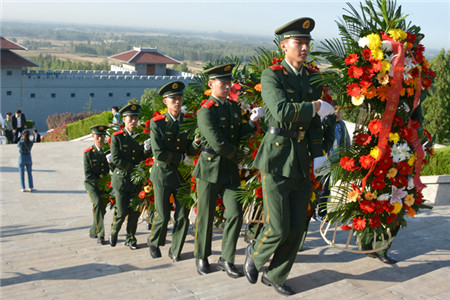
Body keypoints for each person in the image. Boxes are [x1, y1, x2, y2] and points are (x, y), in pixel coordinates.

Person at [243, 18, 335, 296]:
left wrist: (318, 155)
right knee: (278, 226)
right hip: (276, 155)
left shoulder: (310, 77)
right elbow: (282, 111)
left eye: (307, 42)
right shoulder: (272, 75)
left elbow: (315, 124)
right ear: (284, 46)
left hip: (301, 157)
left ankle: (276, 274)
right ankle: (256, 256)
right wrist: (317, 105)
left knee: (297, 228)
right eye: (299, 42)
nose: (304, 47)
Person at [193, 64, 263, 277]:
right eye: (222, 82)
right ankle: (202, 256)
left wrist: (251, 121)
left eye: (228, 82)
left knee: (235, 214)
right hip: (210, 169)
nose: (226, 86)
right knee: (205, 215)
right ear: (211, 84)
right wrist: (241, 158)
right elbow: (218, 143)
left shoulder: (233, 108)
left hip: (230, 171)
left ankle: (227, 258)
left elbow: (240, 134)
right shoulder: (206, 111)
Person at [147, 81, 201, 262]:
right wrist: (181, 158)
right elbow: (159, 153)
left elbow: (191, 150)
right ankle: (154, 242)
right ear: (165, 102)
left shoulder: (189, 121)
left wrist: (196, 143)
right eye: (173, 99)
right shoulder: (158, 124)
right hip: (163, 175)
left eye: (179, 99)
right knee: (162, 216)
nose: (177, 102)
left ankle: (176, 250)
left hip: (182, 176)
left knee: (183, 216)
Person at [109, 103, 152, 250]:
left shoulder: (140, 136)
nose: (133, 121)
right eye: (130, 118)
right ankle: (114, 231)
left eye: (135, 118)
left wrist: (147, 149)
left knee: (135, 212)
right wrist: (134, 169)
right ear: (124, 120)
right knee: (121, 212)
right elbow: (115, 159)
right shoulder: (118, 137)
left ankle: (130, 238)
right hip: (121, 180)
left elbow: (143, 156)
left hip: (136, 182)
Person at [315, 102, 351, 221]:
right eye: (336, 111)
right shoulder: (323, 122)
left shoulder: (341, 125)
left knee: (326, 188)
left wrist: (346, 158)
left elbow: (346, 142)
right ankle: (313, 210)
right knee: (316, 186)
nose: (338, 114)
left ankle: (321, 213)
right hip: (321, 160)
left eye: (340, 112)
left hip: (333, 162)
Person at [84, 125, 111, 245]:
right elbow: (88, 174)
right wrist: (99, 180)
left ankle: (93, 230)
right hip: (92, 184)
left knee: (102, 209)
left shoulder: (108, 151)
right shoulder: (88, 153)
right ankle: (101, 234)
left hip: (105, 183)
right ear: (93, 136)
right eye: (98, 136)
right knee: (97, 203)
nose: (100, 139)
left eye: (102, 136)